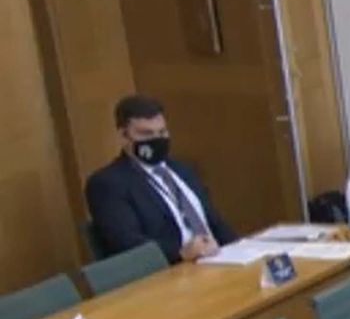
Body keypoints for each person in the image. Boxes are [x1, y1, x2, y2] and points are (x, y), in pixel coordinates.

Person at [85, 94, 238, 264]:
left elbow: (214, 220)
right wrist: (181, 252)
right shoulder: (108, 184)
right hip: (174, 270)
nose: (156, 140)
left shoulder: (182, 170)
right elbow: (127, 243)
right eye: (146, 134)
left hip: (218, 259)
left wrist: (239, 248)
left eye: (162, 132)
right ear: (123, 136)